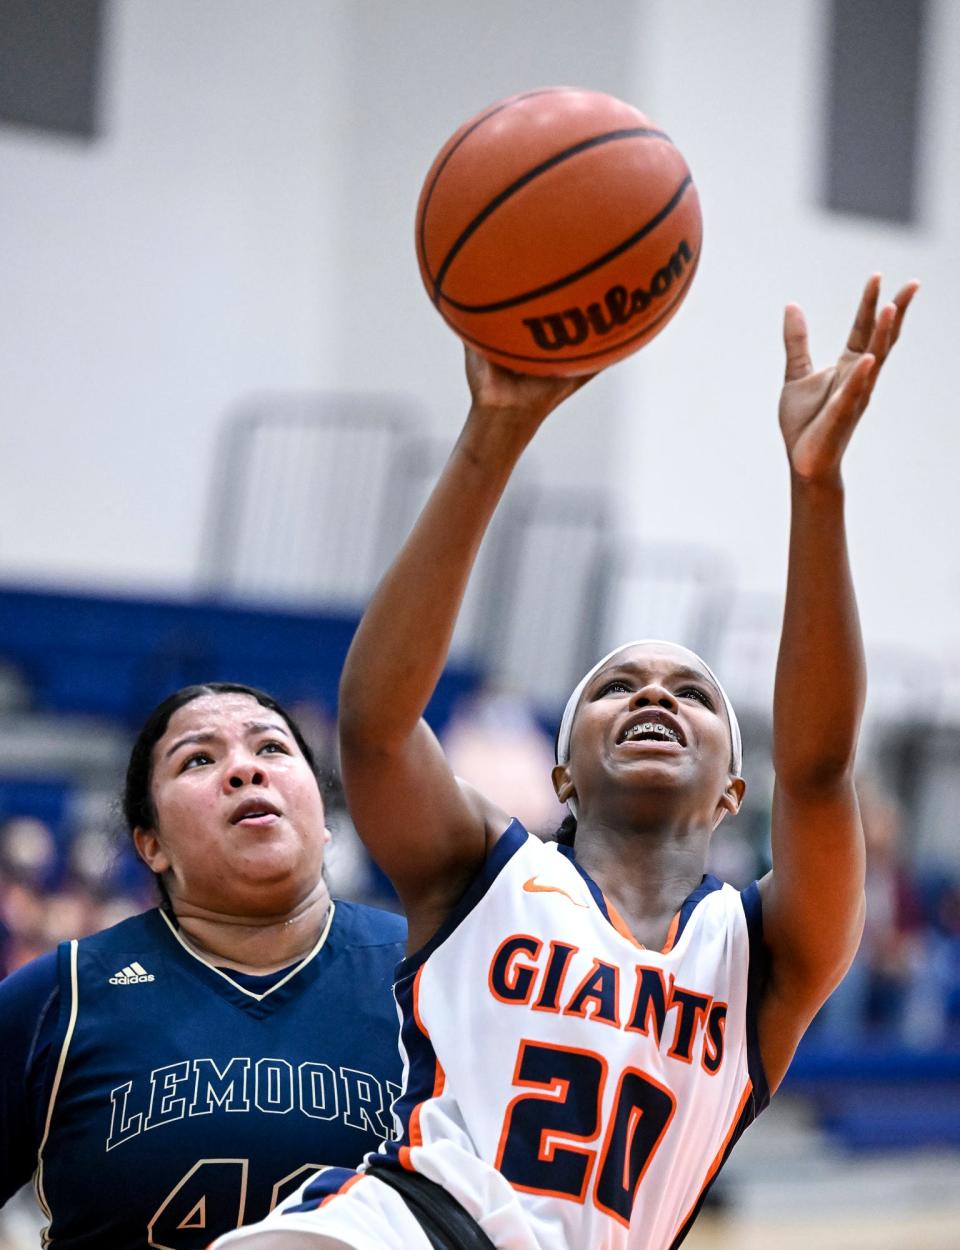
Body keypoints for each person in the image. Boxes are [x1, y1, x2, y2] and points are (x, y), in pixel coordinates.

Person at [212, 273, 917, 1250]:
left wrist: (817, 488)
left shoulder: (765, 954)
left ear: (731, 793)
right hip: (411, 1224)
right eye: (617, 686)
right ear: (564, 777)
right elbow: (376, 722)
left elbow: (821, 767)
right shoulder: (486, 868)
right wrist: (490, 434)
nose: (658, 693)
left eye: (696, 692)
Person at [0, 682, 406, 1250]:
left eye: (271, 749)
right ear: (150, 845)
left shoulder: (427, 969)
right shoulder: (62, 994)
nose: (245, 770)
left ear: (325, 819)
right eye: (198, 759)